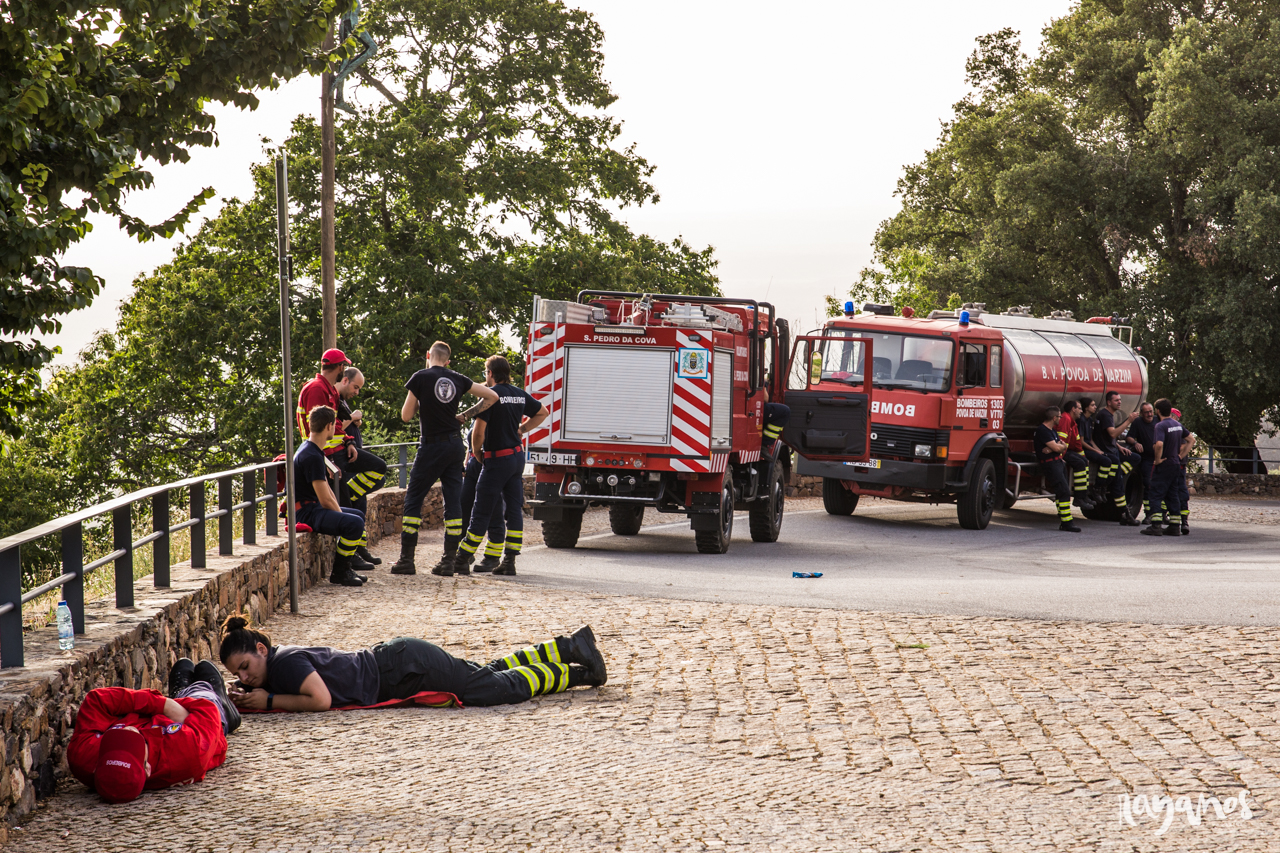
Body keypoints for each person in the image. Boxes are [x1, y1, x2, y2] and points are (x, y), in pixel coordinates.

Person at [218, 616, 606, 710]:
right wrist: (252, 691)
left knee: (492, 689)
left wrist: (268, 701)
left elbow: (320, 700)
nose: (244, 676)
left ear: (261, 649)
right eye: (237, 674)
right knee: (488, 674)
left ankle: (575, 671)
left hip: (403, 667)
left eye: (245, 666)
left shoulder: (285, 664)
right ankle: (568, 649)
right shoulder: (278, 664)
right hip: (401, 662)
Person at [390, 342, 499, 576]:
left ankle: (406, 560)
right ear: (448, 361)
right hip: (454, 446)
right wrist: (465, 415)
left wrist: (422, 399)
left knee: (414, 499)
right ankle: (449, 561)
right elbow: (492, 396)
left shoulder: (420, 377)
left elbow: (406, 416)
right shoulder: (458, 378)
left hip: (431, 446)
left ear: (428, 355)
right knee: (453, 503)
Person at [66, 659, 239, 804]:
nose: (127, 730)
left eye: (116, 739)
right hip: (199, 726)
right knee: (204, 693)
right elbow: (207, 712)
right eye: (135, 741)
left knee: (185, 693)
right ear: (147, 768)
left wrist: (162, 704)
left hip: (167, 715)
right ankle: (206, 696)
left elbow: (96, 700)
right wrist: (170, 706)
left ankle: (179, 694)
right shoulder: (187, 753)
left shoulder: (83, 759)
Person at [450, 355, 549, 576]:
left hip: (496, 460)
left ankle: (462, 558)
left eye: (485, 372)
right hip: (516, 458)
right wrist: (522, 429)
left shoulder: (491, 396)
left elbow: (478, 432)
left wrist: (476, 452)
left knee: (481, 510)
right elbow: (543, 412)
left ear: (491, 373)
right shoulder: (519, 394)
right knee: (513, 510)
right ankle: (509, 561)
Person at [295, 405, 369, 587]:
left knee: (357, 515)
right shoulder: (312, 455)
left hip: (311, 508)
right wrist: (341, 517)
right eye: (335, 425)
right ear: (329, 426)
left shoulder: (312, 449)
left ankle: (346, 567)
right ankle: (340, 572)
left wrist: (341, 514)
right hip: (306, 512)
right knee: (354, 523)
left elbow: (327, 489)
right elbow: (325, 499)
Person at [334, 368, 389, 565]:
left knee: (360, 499)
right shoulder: (332, 398)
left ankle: (360, 547)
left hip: (351, 457)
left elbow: (342, 426)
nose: (357, 392)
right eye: (356, 387)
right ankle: (354, 553)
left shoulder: (341, 399)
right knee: (355, 500)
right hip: (343, 461)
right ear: (345, 380)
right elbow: (332, 427)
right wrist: (352, 417)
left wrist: (354, 422)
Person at [460, 368, 507, 573]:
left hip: (488, 463)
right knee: (464, 507)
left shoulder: (496, 405)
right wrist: (467, 461)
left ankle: (492, 557)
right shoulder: (480, 408)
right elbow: (471, 440)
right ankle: (464, 553)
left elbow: (481, 436)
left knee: (494, 512)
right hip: (473, 465)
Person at [1141, 398, 1186, 537]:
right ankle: (1175, 526)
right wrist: (1181, 455)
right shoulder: (1177, 425)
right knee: (1173, 495)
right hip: (1175, 464)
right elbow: (1191, 440)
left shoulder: (1160, 426)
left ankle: (1156, 526)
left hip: (1164, 464)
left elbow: (1159, 444)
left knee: (1155, 494)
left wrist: (1157, 459)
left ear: (1158, 411)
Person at [1096, 391, 1140, 525]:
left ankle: (1117, 474)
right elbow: (1113, 433)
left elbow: (1110, 437)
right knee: (1118, 486)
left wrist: (1119, 446)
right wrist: (1129, 421)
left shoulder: (1110, 415)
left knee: (1135, 458)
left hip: (1113, 449)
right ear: (1109, 402)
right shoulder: (1105, 415)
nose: (1119, 402)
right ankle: (1125, 514)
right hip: (1107, 453)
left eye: (1120, 400)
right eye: (1116, 400)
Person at [1036, 406, 1080, 532]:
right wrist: (1056, 447)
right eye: (1060, 417)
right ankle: (1067, 522)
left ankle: (1063, 517)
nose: (1061, 419)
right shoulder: (1043, 430)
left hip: (1058, 462)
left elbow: (1062, 446)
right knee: (1064, 491)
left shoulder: (1052, 431)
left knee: (1062, 491)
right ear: (1054, 418)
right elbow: (1058, 447)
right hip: (1051, 464)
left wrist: (1055, 447)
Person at [1057, 401, 1094, 510]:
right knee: (1079, 463)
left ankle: (1083, 496)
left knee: (1084, 461)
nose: (1081, 411)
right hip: (1061, 452)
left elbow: (1077, 443)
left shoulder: (1072, 421)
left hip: (1066, 450)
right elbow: (1061, 441)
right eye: (1079, 408)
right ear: (1073, 409)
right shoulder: (1065, 419)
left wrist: (1083, 456)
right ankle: (1079, 498)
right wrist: (1060, 458)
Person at [1125, 402, 1157, 522]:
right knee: (1147, 485)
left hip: (1160, 459)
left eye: (1151, 411)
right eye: (1146, 412)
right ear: (1141, 413)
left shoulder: (1158, 421)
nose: (1149, 414)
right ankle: (1148, 514)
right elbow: (1129, 437)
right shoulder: (1137, 422)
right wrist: (1135, 443)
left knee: (1161, 486)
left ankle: (1162, 514)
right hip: (1146, 460)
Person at [1171, 407, 1195, 534]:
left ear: (1173, 416)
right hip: (1179, 465)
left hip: (1176, 465)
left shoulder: (1176, 428)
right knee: (1179, 492)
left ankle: (1181, 521)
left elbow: (1182, 446)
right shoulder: (1180, 428)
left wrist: (1177, 456)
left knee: (1175, 491)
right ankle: (1182, 521)